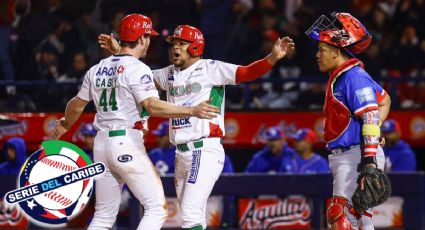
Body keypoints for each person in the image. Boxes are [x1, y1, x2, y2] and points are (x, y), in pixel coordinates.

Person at [99, 24, 294, 230]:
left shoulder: (211, 68)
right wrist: (119, 52)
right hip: (181, 153)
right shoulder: (169, 74)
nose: (175, 48)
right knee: (193, 216)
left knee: (190, 213)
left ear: (195, 47)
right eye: (174, 44)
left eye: (181, 43)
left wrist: (272, 58)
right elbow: (138, 76)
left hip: (204, 148)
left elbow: (246, 73)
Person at [51, 14, 220, 230]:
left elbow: (75, 105)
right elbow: (152, 105)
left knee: (103, 215)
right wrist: (191, 110)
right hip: (126, 141)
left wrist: (64, 124)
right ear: (142, 39)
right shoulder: (138, 69)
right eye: (148, 36)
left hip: (101, 144)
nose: (149, 41)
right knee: (156, 209)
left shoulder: (97, 68)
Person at [305, 12, 391, 229]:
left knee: (342, 218)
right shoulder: (344, 75)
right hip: (352, 155)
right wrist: (373, 135)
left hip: (356, 157)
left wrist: (369, 159)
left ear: (336, 52)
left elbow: (370, 114)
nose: (317, 55)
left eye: (322, 49)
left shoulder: (353, 77)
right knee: (359, 222)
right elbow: (385, 100)